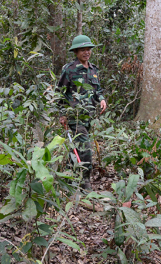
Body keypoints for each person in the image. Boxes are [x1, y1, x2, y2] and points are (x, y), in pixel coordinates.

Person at [57, 35, 107, 190]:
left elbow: (97, 89)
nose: (86, 52)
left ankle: (69, 177)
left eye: (88, 49)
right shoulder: (69, 69)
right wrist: (62, 114)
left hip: (88, 116)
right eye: (82, 50)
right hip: (74, 116)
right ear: (76, 52)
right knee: (84, 147)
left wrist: (102, 99)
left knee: (76, 147)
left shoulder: (93, 70)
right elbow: (60, 92)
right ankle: (85, 182)